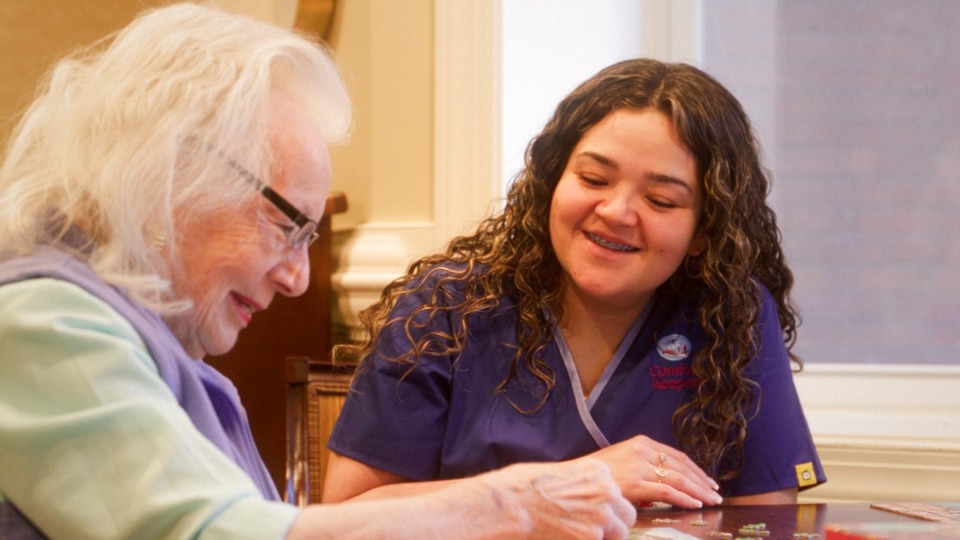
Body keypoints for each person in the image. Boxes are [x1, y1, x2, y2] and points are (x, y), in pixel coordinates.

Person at [0, 4, 637, 539]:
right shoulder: (42, 323)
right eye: (288, 226)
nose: (299, 278)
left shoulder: (143, 340)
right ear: (174, 177)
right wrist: (512, 504)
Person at [323, 58, 826, 507]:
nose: (616, 212)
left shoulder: (731, 314)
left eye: (662, 200)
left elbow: (764, 520)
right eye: (593, 179)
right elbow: (351, 514)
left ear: (703, 232)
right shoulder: (444, 308)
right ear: (550, 184)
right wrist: (572, 483)